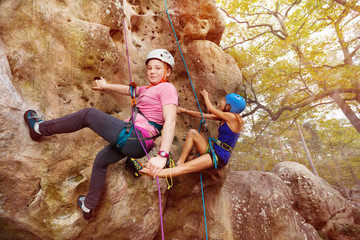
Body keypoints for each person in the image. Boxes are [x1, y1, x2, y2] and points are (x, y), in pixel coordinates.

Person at [23, 49, 178, 220]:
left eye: (157, 68)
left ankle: (39, 128)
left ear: (167, 71)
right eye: (149, 68)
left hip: (135, 137)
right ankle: (88, 206)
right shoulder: (148, 89)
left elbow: (170, 120)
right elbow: (129, 90)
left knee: (88, 115)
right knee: (101, 161)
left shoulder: (167, 88)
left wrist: (163, 156)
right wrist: (106, 86)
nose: (152, 72)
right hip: (137, 145)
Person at [137, 89, 245, 178]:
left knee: (185, 169)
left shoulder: (233, 117)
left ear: (230, 107)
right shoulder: (226, 118)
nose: (222, 102)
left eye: (225, 101)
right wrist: (184, 111)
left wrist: (206, 96)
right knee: (192, 133)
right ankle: (180, 162)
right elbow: (202, 115)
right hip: (213, 150)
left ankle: (148, 172)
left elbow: (210, 109)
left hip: (219, 156)